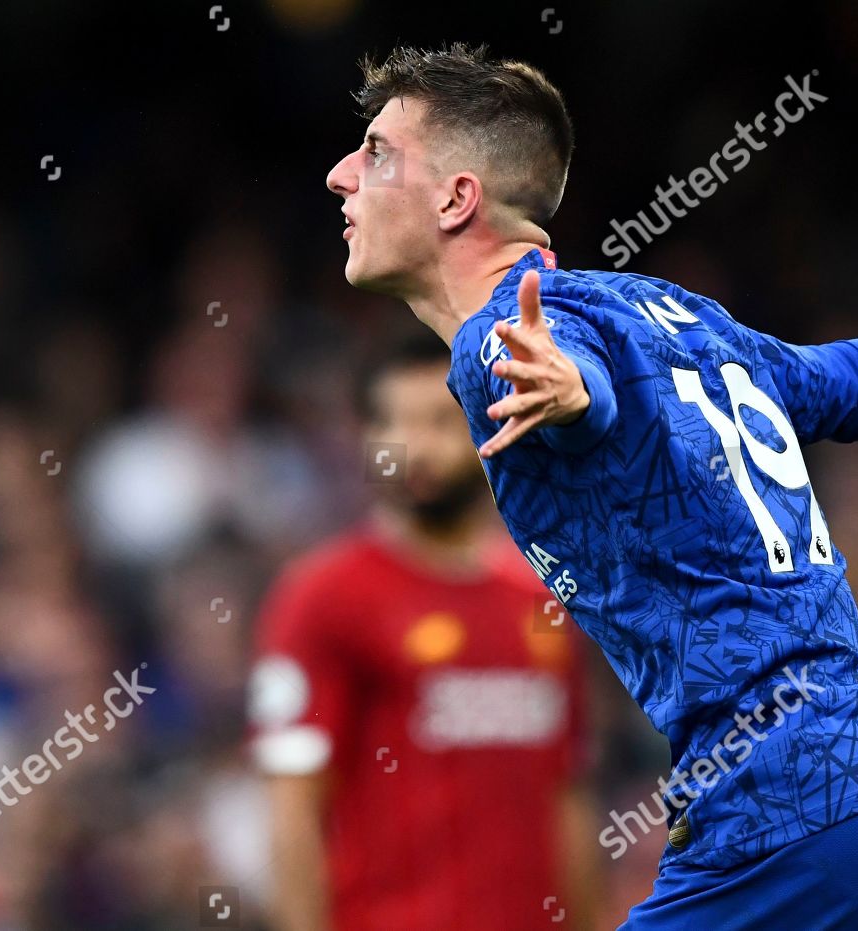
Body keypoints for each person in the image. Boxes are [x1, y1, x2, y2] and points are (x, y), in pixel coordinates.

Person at [325, 42, 858, 930]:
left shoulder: (505, 343)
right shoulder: (662, 308)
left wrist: (575, 397)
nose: (341, 175)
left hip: (794, 809)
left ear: (458, 198)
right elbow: (834, 380)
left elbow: (575, 387)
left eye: (376, 153)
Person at [249, 333, 601, 930]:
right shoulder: (321, 597)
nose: (419, 448)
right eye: (396, 424)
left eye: (442, 422)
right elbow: (292, 809)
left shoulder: (544, 602)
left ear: (491, 428)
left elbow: (567, 795)